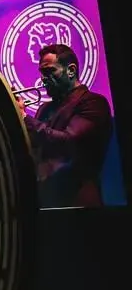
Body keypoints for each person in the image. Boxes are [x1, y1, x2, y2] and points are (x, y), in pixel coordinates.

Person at [20, 43, 114, 208]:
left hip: (79, 205)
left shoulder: (93, 103)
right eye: (42, 73)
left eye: (50, 71)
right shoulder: (44, 108)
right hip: (46, 204)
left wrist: (25, 118)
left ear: (71, 70)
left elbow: (68, 142)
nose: (43, 78)